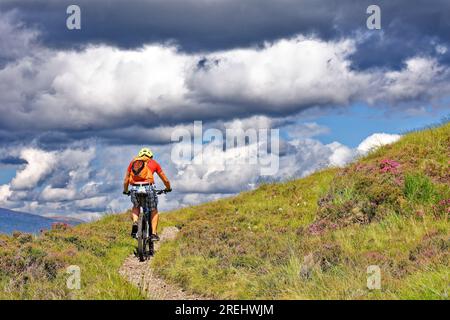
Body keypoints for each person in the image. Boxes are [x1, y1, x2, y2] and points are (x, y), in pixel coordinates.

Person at [123, 147, 171, 240]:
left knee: (136, 206)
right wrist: (168, 188)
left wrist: (125, 190)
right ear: (150, 156)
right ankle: (153, 234)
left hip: (134, 188)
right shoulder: (154, 163)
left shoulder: (133, 162)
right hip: (148, 187)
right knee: (153, 209)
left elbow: (126, 180)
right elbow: (165, 179)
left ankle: (135, 222)